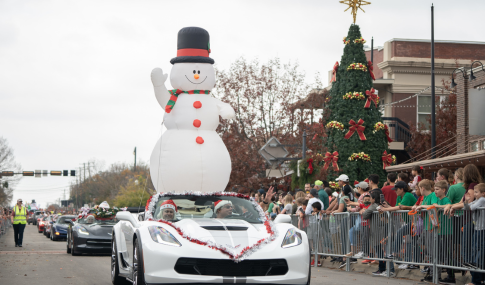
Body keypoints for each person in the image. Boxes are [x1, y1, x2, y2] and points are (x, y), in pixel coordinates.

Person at [363, 191, 395, 277]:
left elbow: (365, 215)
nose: (369, 199)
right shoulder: (384, 204)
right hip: (384, 230)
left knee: (382, 251)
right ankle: (385, 269)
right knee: (386, 251)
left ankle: (384, 269)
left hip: (379, 232)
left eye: (370, 197)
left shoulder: (374, 206)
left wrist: (363, 211)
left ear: (374, 198)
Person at [463, 183, 485, 285]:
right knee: (475, 250)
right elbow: (467, 208)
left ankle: (476, 280)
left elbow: (471, 208)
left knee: (478, 251)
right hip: (477, 228)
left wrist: (468, 203)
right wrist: (467, 201)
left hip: (481, 229)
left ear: (483, 193)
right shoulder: (478, 200)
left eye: (476, 192)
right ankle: (477, 279)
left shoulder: (482, 199)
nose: (474, 194)